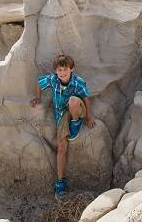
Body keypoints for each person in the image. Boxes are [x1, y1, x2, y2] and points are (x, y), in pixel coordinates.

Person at [30, 53, 95, 200]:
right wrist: (38, 97)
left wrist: (90, 116)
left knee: (73, 100)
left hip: (77, 109)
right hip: (60, 116)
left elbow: (86, 98)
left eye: (65, 69)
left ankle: (76, 123)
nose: (62, 73)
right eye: (59, 70)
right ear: (56, 71)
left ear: (72, 69)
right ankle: (60, 182)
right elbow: (39, 83)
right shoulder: (53, 80)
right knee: (62, 148)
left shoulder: (78, 82)